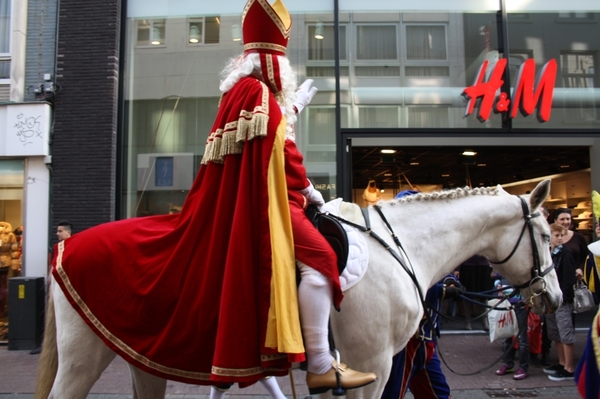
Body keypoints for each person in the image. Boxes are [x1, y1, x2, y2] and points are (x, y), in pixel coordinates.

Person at [52, 0, 376, 394]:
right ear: (274, 61)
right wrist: (311, 190)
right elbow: (281, 153)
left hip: (260, 197)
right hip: (264, 205)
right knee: (322, 259)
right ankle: (322, 365)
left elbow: (265, 145)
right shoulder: (257, 93)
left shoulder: (242, 92)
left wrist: (287, 112)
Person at [381, 274, 464, 399]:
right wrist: (440, 290)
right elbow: (405, 285)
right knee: (393, 393)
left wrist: (450, 280)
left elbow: (438, 270)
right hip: (407, 340)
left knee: (438, 394)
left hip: (426, 341)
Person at [543, 223, 577, 381]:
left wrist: (564, 296)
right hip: (550, 298)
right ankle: (562, 362)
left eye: (562, 235)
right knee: (555, 332)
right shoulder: (548, 253)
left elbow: (568, 278)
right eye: (557, 235)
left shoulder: (566, 254)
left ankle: (569, 368)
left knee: (565, 333)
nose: (560, 238)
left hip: (561, 299)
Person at [494, 276, 530, 380]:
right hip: (506, 303)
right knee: (506, 337)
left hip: (520, 304)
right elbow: (497, 277)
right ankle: (508, 364)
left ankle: (523, 367)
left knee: (522, 339)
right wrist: (497, 284)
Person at [457, 255, 492, 331]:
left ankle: (484, 322)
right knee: (468, 294)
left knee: (484, 294)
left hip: (483, 265)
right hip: (467, 265)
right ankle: (468, 321)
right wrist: (457, 268)